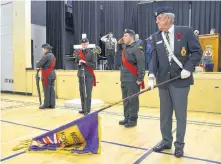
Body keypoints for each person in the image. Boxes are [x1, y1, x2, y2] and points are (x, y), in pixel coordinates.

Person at [147, 6, 202, 158]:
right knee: (165, 115)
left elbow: (197, 51)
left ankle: (179, 145)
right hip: (163, 81)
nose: (156, 22)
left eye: (159, 18)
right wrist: (151, 76)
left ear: (168, 18)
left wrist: (189, 68)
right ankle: (166, 141)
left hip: (181, 81)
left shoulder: (186, 31)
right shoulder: (156, 36)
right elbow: (153, 59)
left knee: (180, 115)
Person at [118, 29, 146, 128]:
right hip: (124, 78)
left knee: (133, 100)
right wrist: (120, 43)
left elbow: (141, 65)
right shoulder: (125, 48)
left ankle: (133, 119)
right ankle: (127, 117)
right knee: (125, 100)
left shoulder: (137, 48)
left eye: (125, 36)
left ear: (131, 37)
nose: (123, 38)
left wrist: (140, 78)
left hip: (133, 79)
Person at [73, 38, 101, 115]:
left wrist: (85, 62)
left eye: (85, 43)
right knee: (82, 92)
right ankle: (83, 108)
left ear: (88, 44)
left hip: (88, 75)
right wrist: (78, 63)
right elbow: (75, 64)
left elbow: (94, 65)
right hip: (81, 75)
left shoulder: (92, 53)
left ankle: (87, 110)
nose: (84, 45)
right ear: (81, 44)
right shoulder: (78, 53)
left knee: (88, 93)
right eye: (82, 43)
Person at [36, 43, 56, 109]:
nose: (43, 50)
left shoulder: (45, 56)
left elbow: (39, 64)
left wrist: (38, 63)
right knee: (51, 90)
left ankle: (46, 104)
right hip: (52, 74)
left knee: (46, 90)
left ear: (46, 49)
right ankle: (52, 104)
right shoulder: (53, 55)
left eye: (43, 49)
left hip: (46, 75)